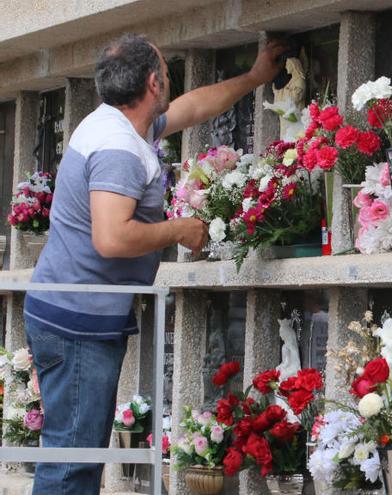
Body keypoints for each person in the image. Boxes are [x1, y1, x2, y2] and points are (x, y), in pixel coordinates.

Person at [23, 33, 287, 494]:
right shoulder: (118, 148)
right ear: (151, 83)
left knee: (74, 455)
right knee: (72, 464)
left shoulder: (120, 124)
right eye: (165, 71)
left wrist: (253, 77)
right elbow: (111, 237)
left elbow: (191, 109)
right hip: (77, 324)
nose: (168, 79)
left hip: (71, 315)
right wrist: (178, 229)